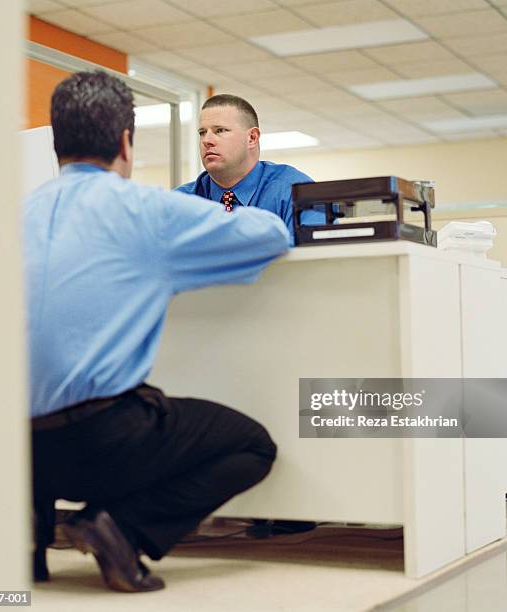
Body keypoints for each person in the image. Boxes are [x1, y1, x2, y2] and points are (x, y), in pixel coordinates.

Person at [24, 70, 290, 593]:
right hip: (101, 443)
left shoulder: (13, 215)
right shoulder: (146, 210)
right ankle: (120, 528)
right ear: (126, 142)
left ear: (58, 143)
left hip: (17, 448)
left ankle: (37, 545)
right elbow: (272, 234)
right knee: (253, 446)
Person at [176, 94, 325, 244]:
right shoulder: (181, 202)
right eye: (202, 133)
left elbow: (317, 254)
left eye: (220, 130)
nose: (207, 140)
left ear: (252, 138)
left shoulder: (294, 191)